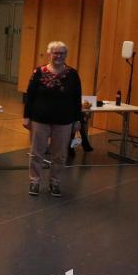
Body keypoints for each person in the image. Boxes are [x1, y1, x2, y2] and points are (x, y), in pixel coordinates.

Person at [23, 41, 82, 198]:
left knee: (60, 154)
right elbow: (30, 96)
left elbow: (77, 99)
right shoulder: (38, 72)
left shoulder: (72, 74)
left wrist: (77, 120)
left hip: (64, 120)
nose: (58, 56)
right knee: (36, 152)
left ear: (65, 55)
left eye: (62, 53)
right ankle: (34, 181)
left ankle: (55, 182)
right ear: (49, 54)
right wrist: (26, 116)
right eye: (55, 52)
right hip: (39, 118)